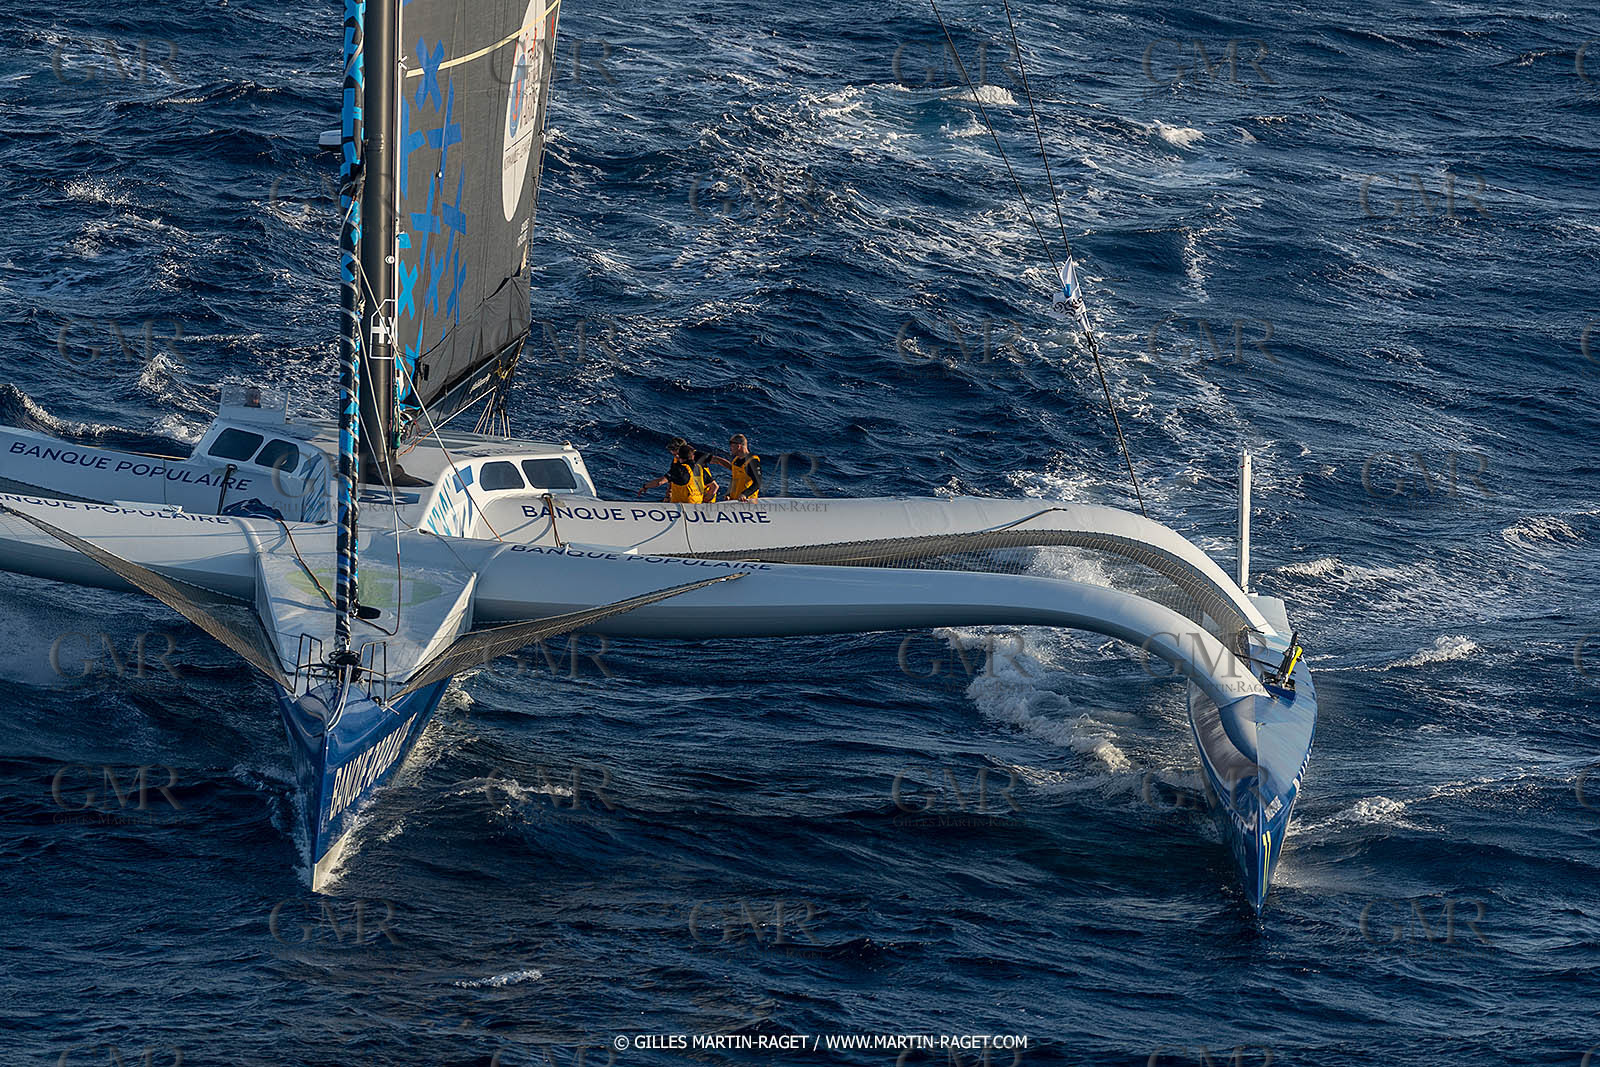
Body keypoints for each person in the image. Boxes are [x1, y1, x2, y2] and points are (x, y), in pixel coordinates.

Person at [638, 443, 706, 503]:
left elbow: (659, 482)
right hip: (697, 504)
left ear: (678, 456)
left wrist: (645, 486)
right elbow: (711, 485)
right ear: (692, 456)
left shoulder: (679, 469)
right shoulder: (699, 467)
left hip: (684, 504)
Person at [709, 434, 761, 500]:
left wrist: (745, 494)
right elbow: (735, 479)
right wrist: (729, 493)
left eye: (731, 445)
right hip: (734, 500)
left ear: (738, 446)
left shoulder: (752, 461)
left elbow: (757, 483)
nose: (730, 448)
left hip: (747, 502)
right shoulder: (736, 460)